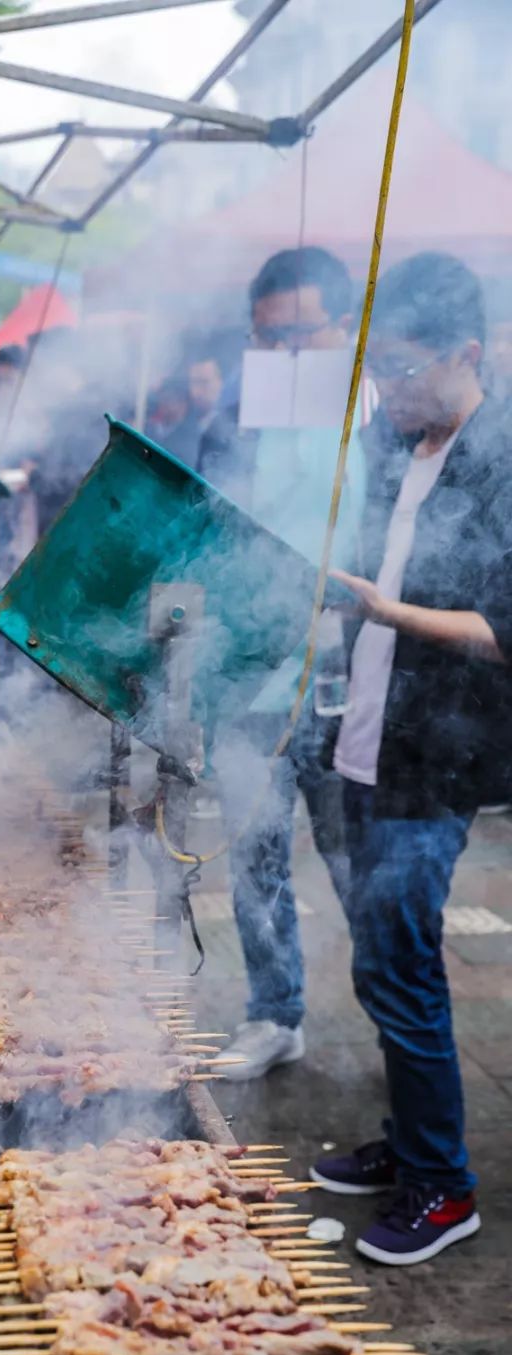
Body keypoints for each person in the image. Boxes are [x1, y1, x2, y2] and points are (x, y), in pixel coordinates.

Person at [311, 253, 509, 1265]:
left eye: (402, 370)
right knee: (378, 961)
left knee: (405, 964)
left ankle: (444, 1184)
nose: (387, 390)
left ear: (466, 355)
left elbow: (502, 625)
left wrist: (385, 610)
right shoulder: (394, 441)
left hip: (436, 753)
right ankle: (412, 1139)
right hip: (365, 730)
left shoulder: (504, 454)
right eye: (375, 369)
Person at [212, 247, 362, 1082]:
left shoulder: (383, 416)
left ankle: (401, 1035)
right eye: (269, 340)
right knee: (256, 854)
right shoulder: (244, 417)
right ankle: (276, 1012)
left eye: (302, 336)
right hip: (253, 679)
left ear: (346, 329)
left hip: (347, 686)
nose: (284, 357)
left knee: (355, 865)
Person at [161, 355, 223, 468]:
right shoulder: (177, 436)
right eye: (195, 382)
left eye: (204, 382)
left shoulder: (234, 428)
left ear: (219, 382)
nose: (199, 390)